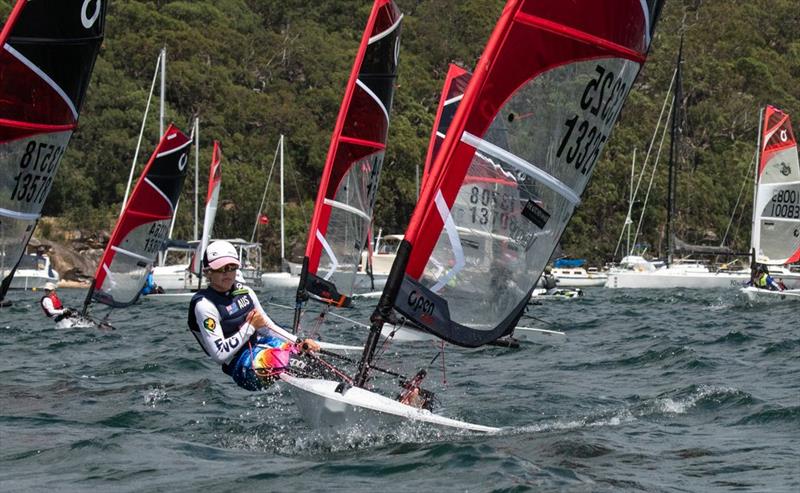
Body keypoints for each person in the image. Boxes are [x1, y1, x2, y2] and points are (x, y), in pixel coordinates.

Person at [187, 240, 323, 391]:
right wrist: (250, 327)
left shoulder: (246, 292)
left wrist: (298, 342)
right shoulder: (205, 305)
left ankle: (348, 387)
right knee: (294, 363)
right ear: (208, 272)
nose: (227, 273)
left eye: (231, 267)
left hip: (261, 344)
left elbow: (267, 327)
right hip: (240, 365)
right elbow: (219, 355)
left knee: (308, 357)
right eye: (220, 268)